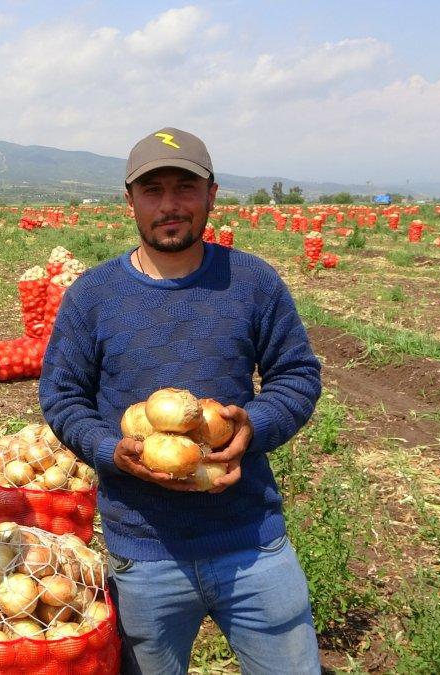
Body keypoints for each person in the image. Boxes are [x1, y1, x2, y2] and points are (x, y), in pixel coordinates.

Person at [39, 127, 323, 674]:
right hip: (144, 550)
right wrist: (109, 450)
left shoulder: (253, 281)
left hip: (251, 541)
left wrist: (253, 425)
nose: (169, 205)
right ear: (130, 201)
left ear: (212, 194)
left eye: (185, 188)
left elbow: (297, 376)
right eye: (153, 190)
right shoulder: (93, 296)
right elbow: (62, 395)